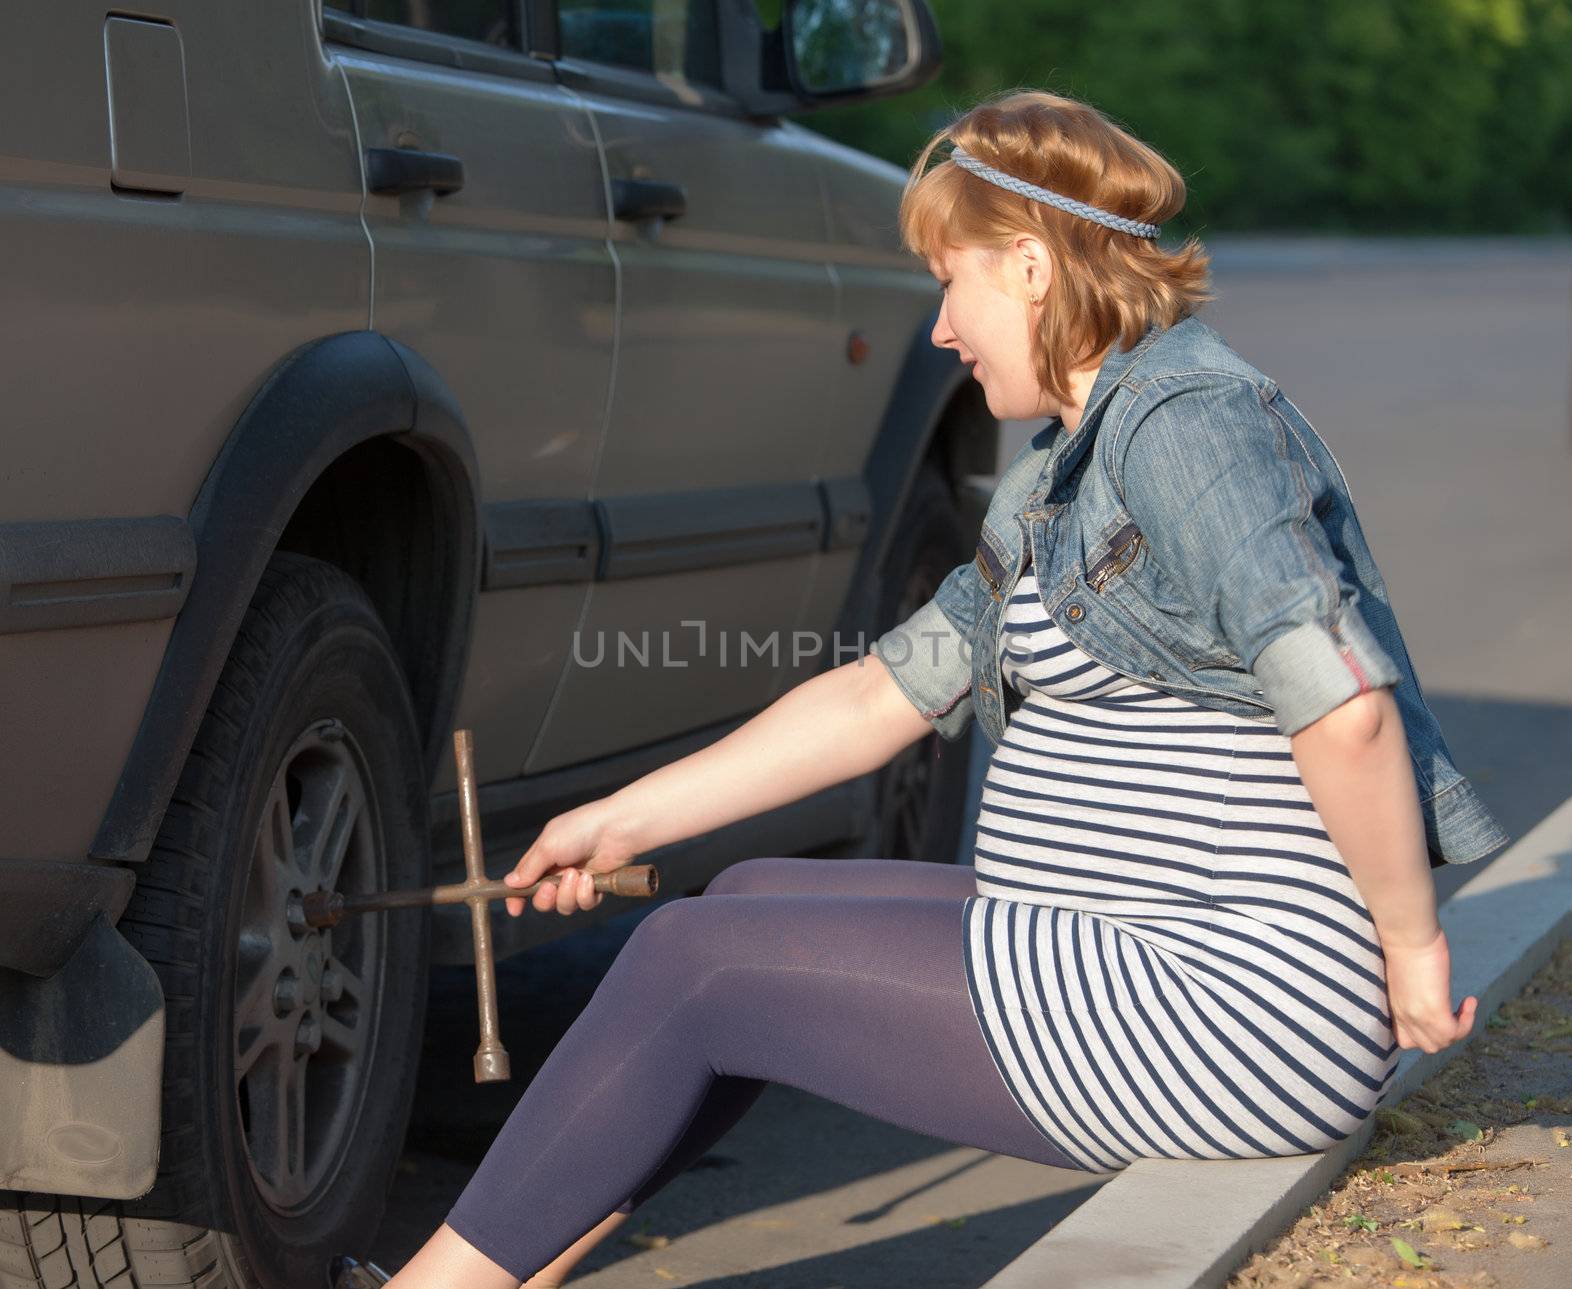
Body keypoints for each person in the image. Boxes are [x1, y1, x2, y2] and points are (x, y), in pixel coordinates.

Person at [357, 88, 1488, 1289]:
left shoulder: (1185, 428)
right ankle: (512, 1273)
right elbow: (879, 699)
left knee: (700, 961)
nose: (942, 328)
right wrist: (617, 818)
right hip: (1133, 950)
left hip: (1235, 1007)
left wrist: (1410, 947)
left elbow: (1340, 700)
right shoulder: (1064, 470)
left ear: (1033, 266)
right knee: (740, 896)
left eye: (951, 283)